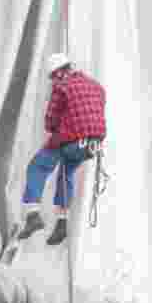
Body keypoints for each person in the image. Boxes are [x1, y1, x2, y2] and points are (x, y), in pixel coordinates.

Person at [16, 53, 106, 246]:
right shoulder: (96, 86)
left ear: (57, 73)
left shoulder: (61, 86)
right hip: (92, 144)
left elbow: (50, 120)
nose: (52, 81)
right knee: (66, 174)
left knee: (37, 167)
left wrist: (57, 130)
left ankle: (33, 215)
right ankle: (62, 223)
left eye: (52, 77)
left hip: (72, 140)